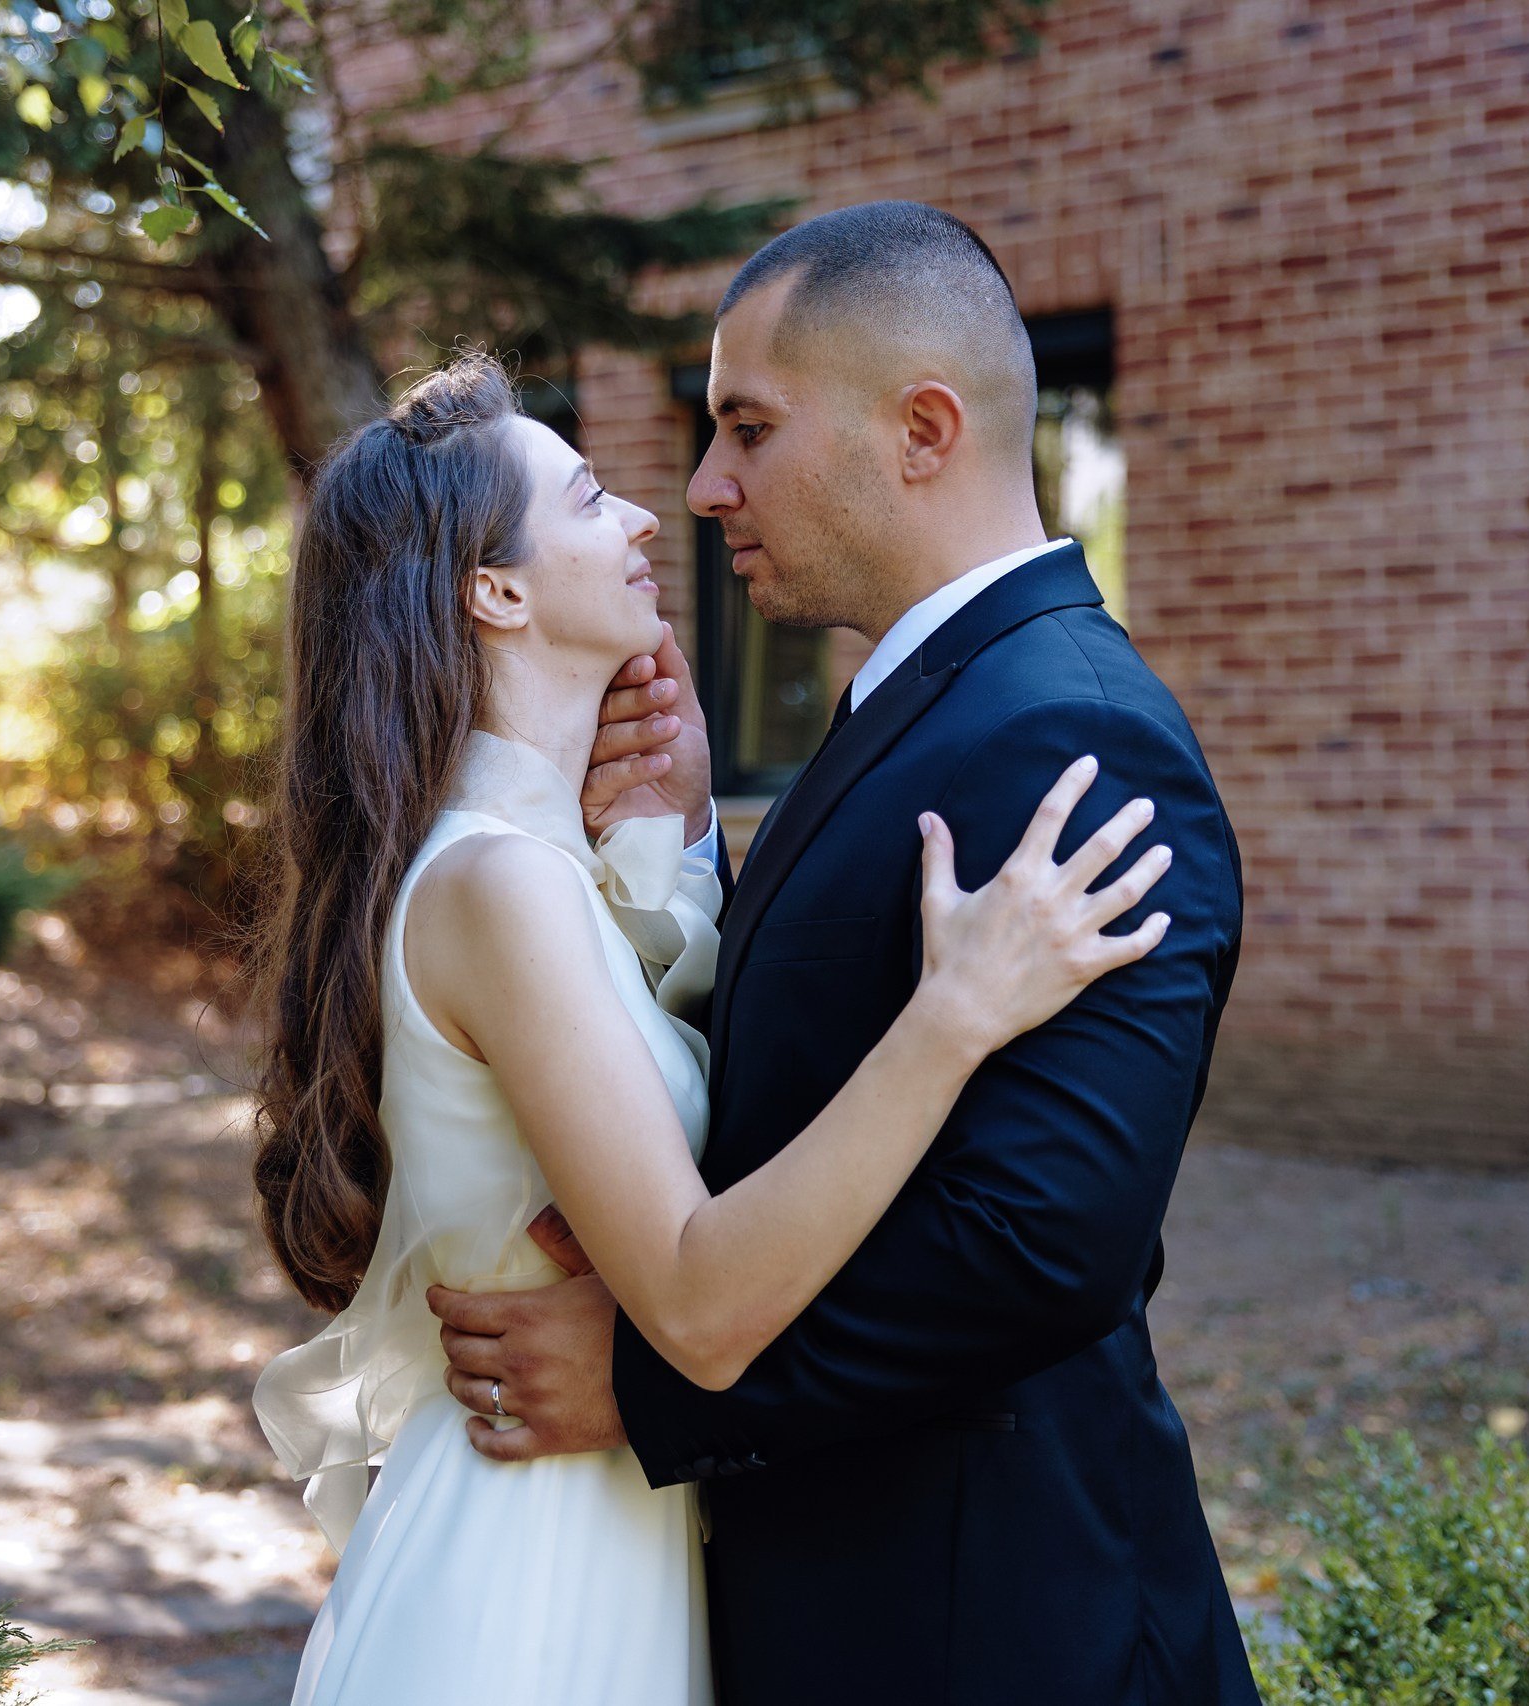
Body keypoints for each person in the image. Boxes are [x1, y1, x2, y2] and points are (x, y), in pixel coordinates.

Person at [249, 340, 1178, 1700]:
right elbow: (691, 1287)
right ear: (494, 589)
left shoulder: (527, 863)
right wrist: (953, 1013)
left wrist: (676, 835)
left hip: (615, 1536)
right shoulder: (499, 882)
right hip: (536, 1583)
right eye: (583, 500)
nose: (647, 512)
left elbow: (677, 1074)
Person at [428, 202, 1261, 1702]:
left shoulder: (1072, 731)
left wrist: (645, 1379)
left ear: (922, 429)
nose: (702, 486)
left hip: (991, 1631)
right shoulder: (930, 693)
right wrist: (691, 851)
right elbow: (833, 1037)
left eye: (747, 427)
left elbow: (1033, 1244)